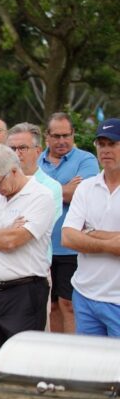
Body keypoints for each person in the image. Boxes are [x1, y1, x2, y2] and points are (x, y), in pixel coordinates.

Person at [0, 145, 55, 354]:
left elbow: (12, 241)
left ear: (14, 171)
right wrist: (5, 232)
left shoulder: (41, 196)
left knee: (22, 360)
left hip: (25, 292)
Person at [40, 112, 100, 334]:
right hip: (42, 247)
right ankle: (57, 356)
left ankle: (73, 355)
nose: (62, 141)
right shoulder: (37, 160)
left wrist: (45, 189)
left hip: (70, 248)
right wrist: (64, 187)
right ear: (47, 136)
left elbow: (80, 193)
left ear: (73, 134)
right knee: (52, 305)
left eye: (66, 135)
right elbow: (27, 192)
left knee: (69, 304)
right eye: (56, 136)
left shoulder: (86, 160)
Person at [61, 118, 120, 337]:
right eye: (101, 144)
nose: (105, 150)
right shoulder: (86, 187)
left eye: (112, 144)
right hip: (85, 295)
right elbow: (67, 237)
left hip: (117, 300)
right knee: (89, 368)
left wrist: (89, 234)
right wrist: (110, 242)